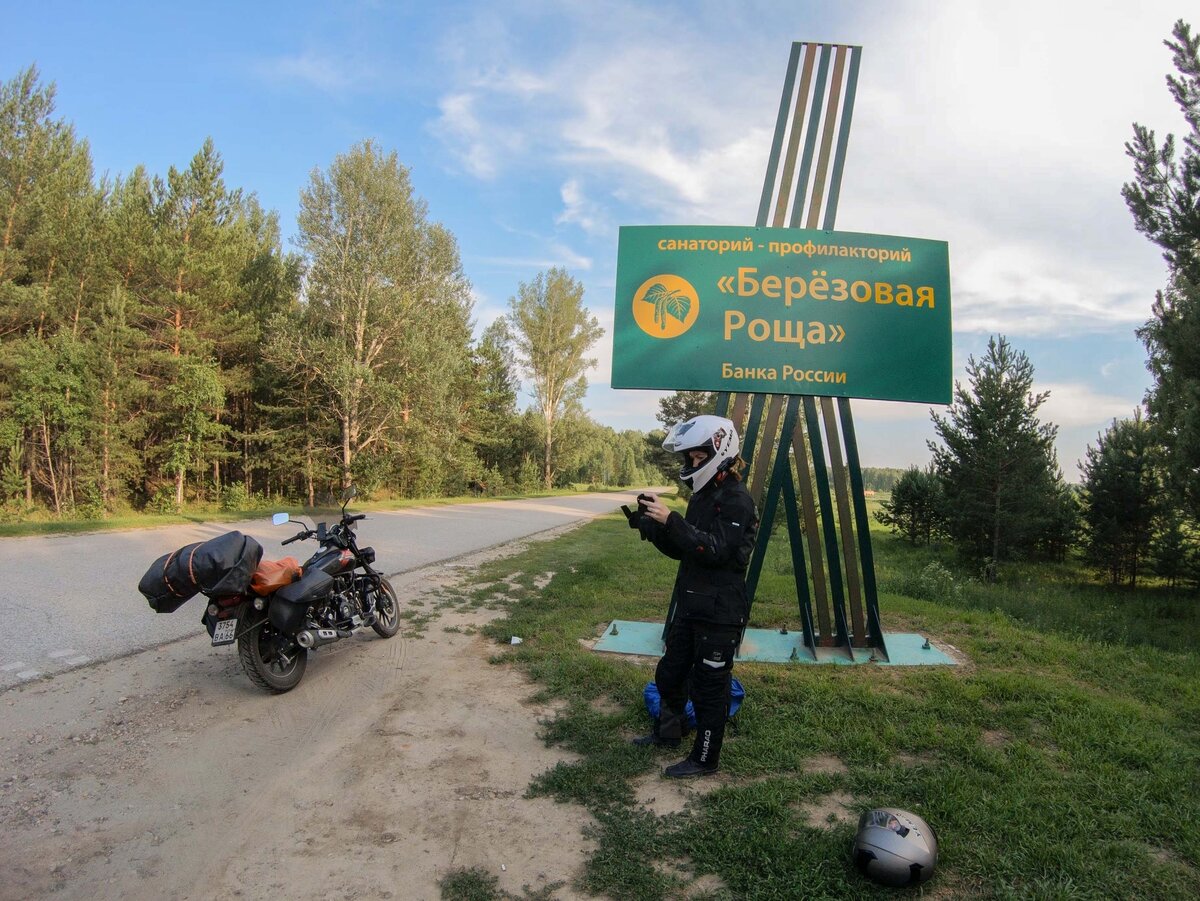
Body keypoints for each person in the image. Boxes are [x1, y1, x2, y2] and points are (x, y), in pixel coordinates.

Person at [630, 415, 759, 778]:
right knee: (669, 674)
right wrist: (653, 528)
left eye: (698, 458)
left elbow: (716, 550)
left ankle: (705, 759)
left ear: (720, 451)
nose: (692, 464)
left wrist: (672, 520)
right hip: (691, 602)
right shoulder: (703, 496)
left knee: (709, 687)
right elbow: (687, 549)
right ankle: (670, 733)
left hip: (720, 610)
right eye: (689, 458)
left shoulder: (737, 499)